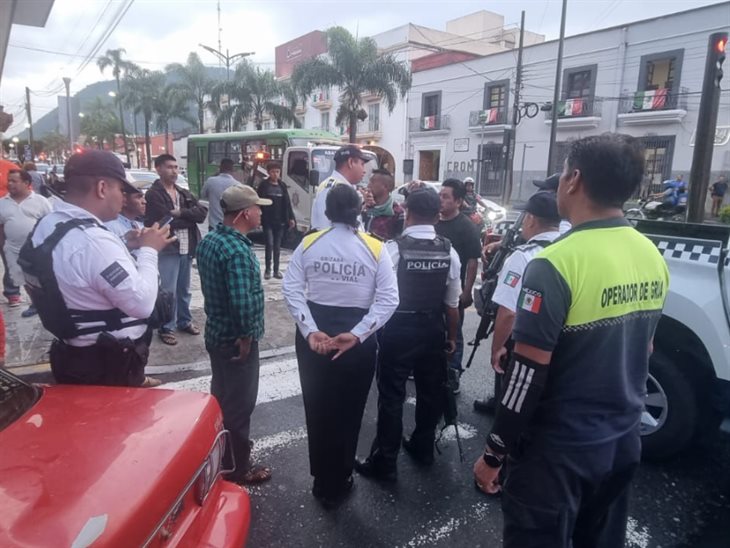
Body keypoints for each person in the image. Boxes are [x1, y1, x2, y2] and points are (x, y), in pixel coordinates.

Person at [473, 134, 669, 548]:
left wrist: (494, 453)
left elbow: (526, 376)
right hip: (621, 441)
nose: (560, 182)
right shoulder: (650, 252)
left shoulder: (554, 262)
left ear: (574, 179)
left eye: (562, 173)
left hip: (558, 455)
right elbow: (645, 349)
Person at [282, 184, 399, 509]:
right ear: (359, 210)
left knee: (317, 409)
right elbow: (390, 300)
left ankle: (322, 480)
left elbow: (291, 291)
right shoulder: (376, 248)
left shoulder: (309, 243)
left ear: (328, 211)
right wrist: (359, 333)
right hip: (356, 339)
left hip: (314, 336)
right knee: (350, 411)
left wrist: (310, 331)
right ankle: (342, 476)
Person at [21, 150, 173, 387]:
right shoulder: (94, 241)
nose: (123, 197)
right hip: (108, 366)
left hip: (73, 355)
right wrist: (149, 250)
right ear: (102, 188)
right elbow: (142, 304)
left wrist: (125, 244)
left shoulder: (50, 224)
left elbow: (79, 265)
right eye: (121, 190)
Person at [355, 188, 460, 481]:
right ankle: (423, 447)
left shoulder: (394, 249)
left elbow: (376, 294)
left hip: (399, 329)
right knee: (430, 392)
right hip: (433, 329)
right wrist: (452, 338)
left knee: (391, 395)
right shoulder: (448, 250)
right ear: (437, 216)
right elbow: (452, 304)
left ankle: (385, 461)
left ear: (408, 213)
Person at [196, 185, 274, 485]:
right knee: (240, 406)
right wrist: (246, 337)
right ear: (244, 213)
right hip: (235, 339)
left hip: (216, 333)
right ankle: (237, 467)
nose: (261, 212)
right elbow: (242, 299)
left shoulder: (211, 241)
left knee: (222, 399)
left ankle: (219, 453)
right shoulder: (238, 250)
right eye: (258, 208)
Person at [475, 191, 561, 414]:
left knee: (513, 405)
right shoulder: (571, 251)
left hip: (525, 341)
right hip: (559, 341)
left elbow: (509, 312)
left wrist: (497, 348)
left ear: (531, 219)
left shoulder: (522, 256)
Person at [145, 153, 207, 346]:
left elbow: (202, 214)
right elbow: (163, 219)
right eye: (170, 167)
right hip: (167, 246)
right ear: (158, 168)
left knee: (184, 289)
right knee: (168, 290)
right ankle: (166, 326)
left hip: (186, 246)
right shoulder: (154, 194)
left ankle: (184, 320)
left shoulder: (182, 192)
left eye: (176, 167)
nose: (174, 171)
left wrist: (180, 213)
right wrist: (186, 217)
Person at [435, 179, 482, 393]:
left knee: (455, 335)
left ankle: (453, 373)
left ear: (459, 201)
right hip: (430, 290)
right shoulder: (432, 222)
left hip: (454, 290)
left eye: (446, 197)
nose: (441, 201)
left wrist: (467, 290)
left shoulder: (467, 227)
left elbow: (473, 260)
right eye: (440, 196)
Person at [0, 169, 52, 317]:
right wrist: (4, 245)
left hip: (38, 249)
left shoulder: (41, 201)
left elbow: (50, 222)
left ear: (26, 183)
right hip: (13, 250)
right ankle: (35, 304)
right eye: (8, 180)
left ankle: (49, 304)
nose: (10, 184)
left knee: (42, 278)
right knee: (24, 280)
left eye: (14, 181)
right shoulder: (2, 203)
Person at [309, 145, 371, 230]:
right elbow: (326, 227)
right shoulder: (331, 189)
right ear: (351, 162)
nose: (364, 171)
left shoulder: (346, 187)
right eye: (362, 164)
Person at [257, 161, 296, 279]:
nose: (275, 174)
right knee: (269, 244)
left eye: (277, 172)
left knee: (277, 247)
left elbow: (287, 203)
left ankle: (276, 270)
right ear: (269, 172)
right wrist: (258, 218)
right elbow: (258, 202)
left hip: (281, 221)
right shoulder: (263, 185)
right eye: (273, 172)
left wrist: (291, 218)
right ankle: (267, 270)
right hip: (267, 220)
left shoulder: (282, 186)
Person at [361, 168, 404, 240]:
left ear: (386, 187)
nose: (368, 186)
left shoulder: (397, 212)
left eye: (372, 182)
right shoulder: (364, 207)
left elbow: (399, 240)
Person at [105, 187, 146, 258]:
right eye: (138, 197)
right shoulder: (110, 226)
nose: (144, 201)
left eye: (143, 197)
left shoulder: (139, 225)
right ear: (125, 200)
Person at [201, 158, 240, 230]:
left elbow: (203, 195)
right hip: (230, 227)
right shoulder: (238, 185)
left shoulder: (210, 181)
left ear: (220, 168)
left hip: (214, 225)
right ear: (232, 169)